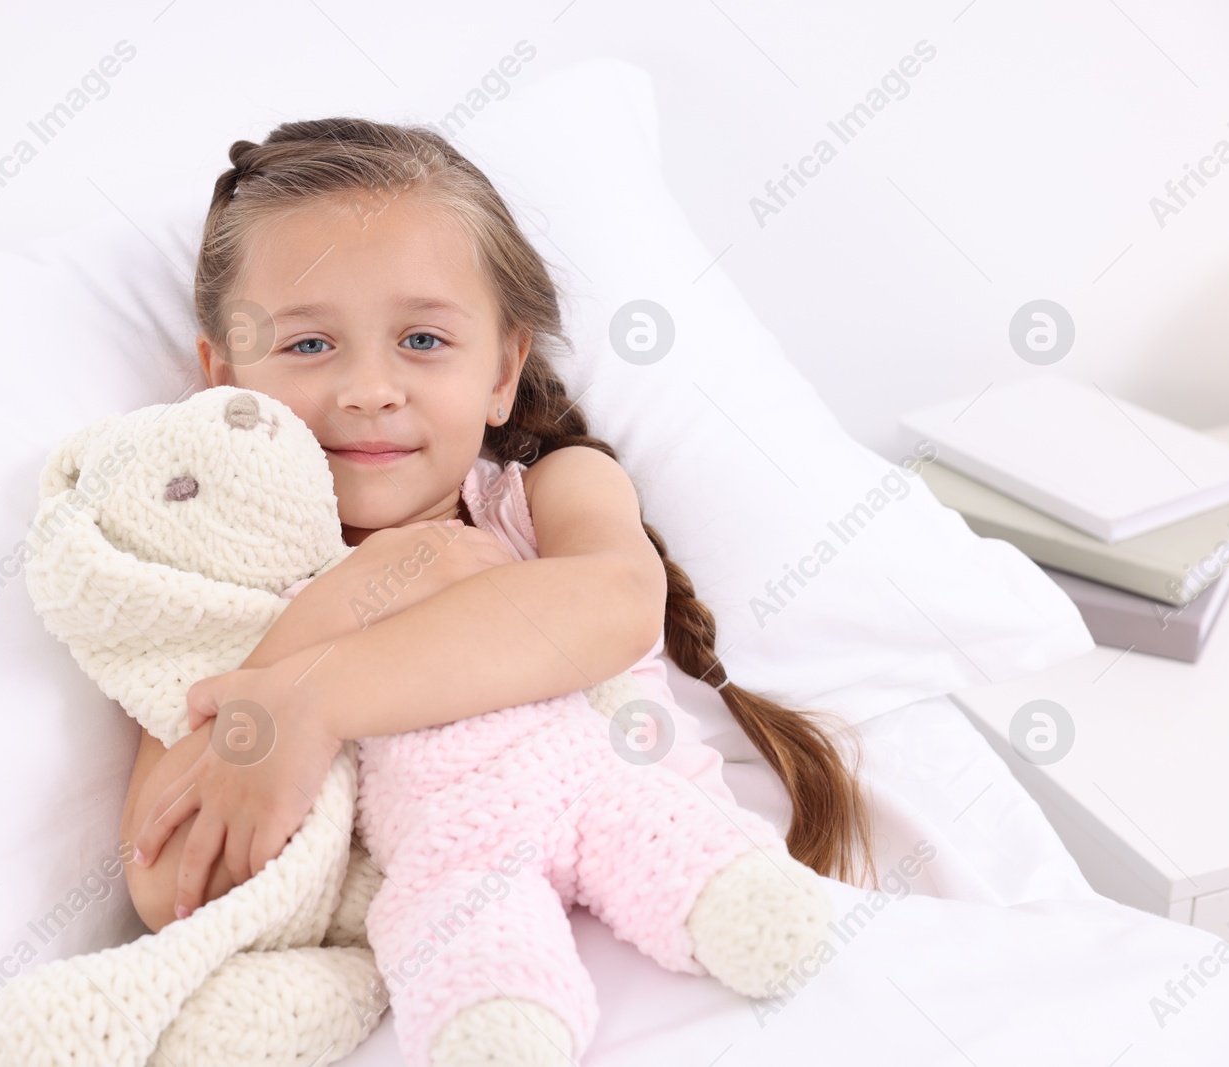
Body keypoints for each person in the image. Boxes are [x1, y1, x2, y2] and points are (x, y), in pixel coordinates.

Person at [119, 116, 872, 942]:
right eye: (307, 342)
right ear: (223, 379)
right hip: (448, 959)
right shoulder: (207, 579)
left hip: (667, 912)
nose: (370, 388)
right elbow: (164, 887)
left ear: (503, 372)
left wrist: (315, 697)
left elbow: (613, 602)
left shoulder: (545, 499)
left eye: (422, 339)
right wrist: (339, 605)